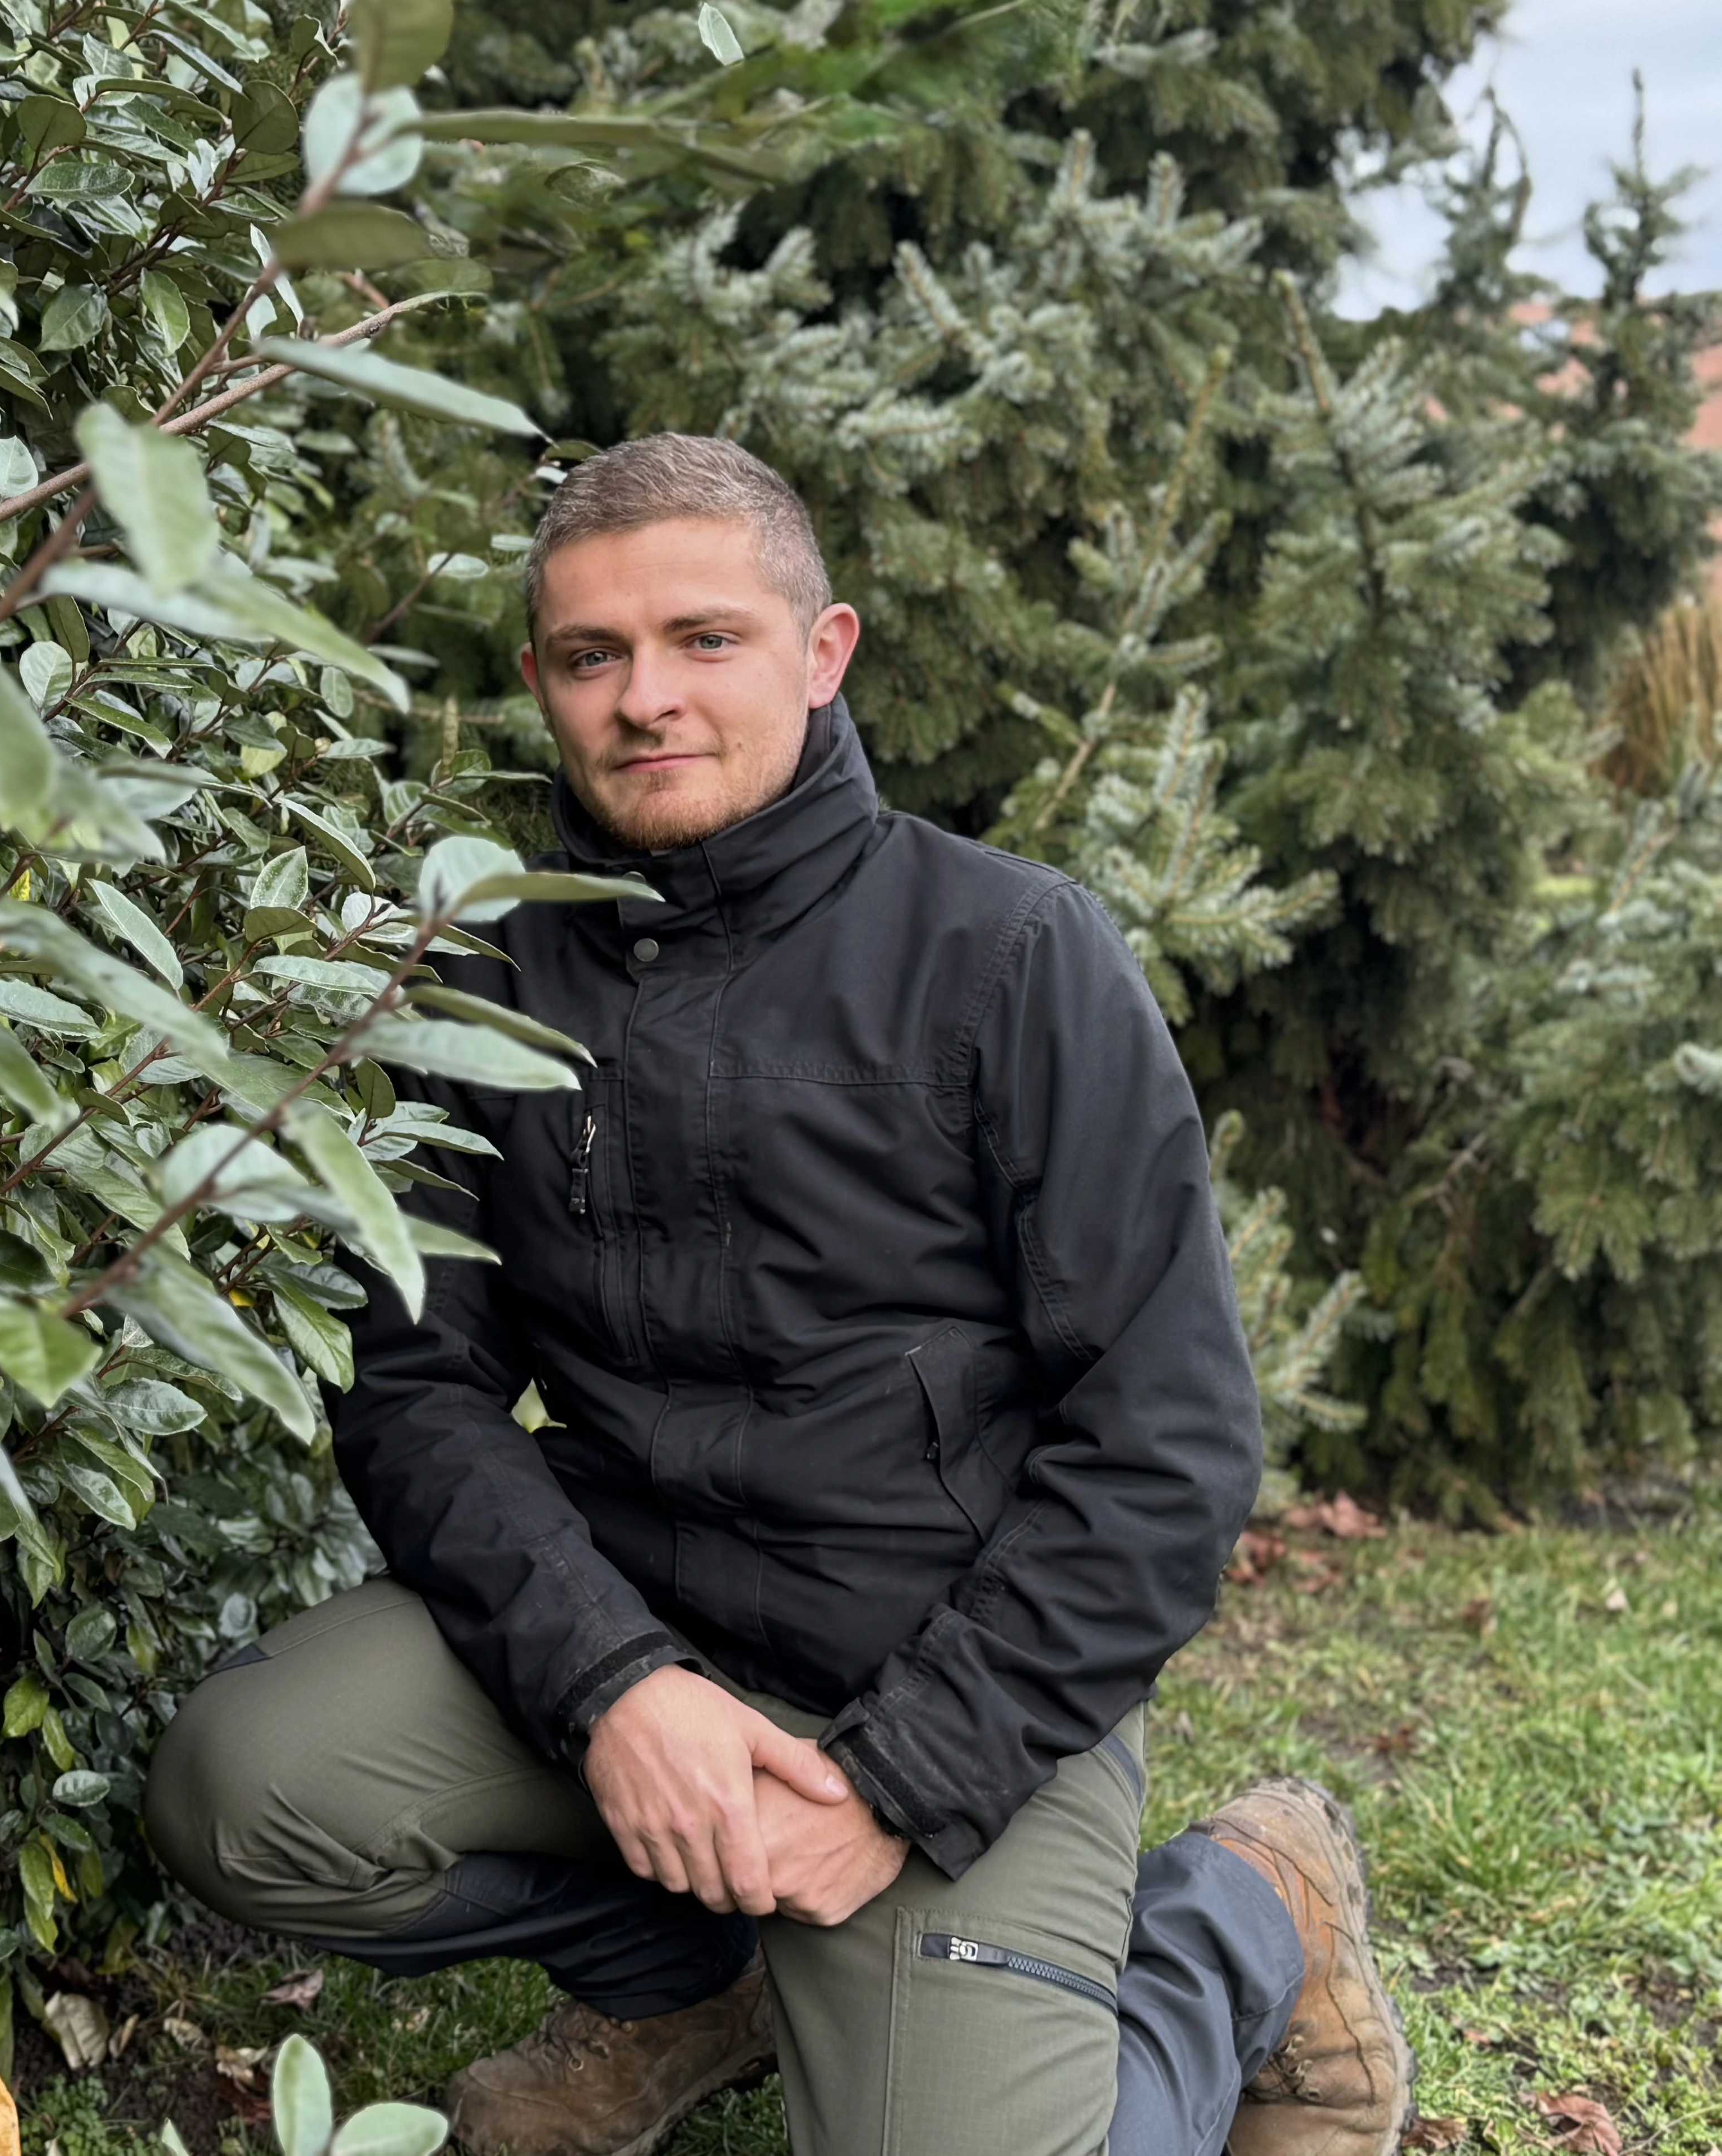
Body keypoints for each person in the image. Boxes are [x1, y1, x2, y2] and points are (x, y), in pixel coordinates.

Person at [144, 435, 1418, 2156]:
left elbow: (1167, 1447)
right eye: (593, 656)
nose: (643, 696)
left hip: (946, 1684)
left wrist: (895, 1783)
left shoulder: (1013, 955)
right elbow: (413, 1385)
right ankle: (694, 1982)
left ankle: (1236, 1920)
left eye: (704, 639)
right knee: (248, 1790)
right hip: (633, 1633)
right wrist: (613, 1685)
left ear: (822, 654)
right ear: (539, 683)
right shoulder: (479, 973)